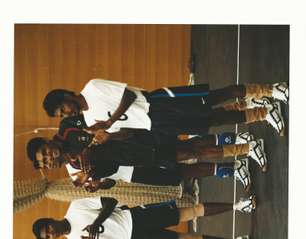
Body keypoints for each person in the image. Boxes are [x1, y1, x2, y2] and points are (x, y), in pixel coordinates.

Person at [27, 128, 265, 191]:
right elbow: (111, 170)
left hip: (135, 143)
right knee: (184, 163)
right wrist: (95, 180)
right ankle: (237, 157)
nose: (49, 160)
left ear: (47, 143)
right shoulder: (74, 171)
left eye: (45, 154)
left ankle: (243, 144)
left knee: (189, 149)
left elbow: (102, 135)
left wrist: (91, 151)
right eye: (45, 163)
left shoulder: (69, 133)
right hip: (135, 166)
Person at [42, 79, 288, 136]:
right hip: (155, 124)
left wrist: (110, 121)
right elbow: (126, 131)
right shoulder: (88, 121)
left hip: (158, 103)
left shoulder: (92, 87)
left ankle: (271, 89)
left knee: (215, 98)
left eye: (63, 108)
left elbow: (127, 95)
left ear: (66, 95)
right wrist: (106, 135)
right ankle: (263, 112)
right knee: (211, 122)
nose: (67, 113)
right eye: (62, 115)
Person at [32, 197, 255, 239]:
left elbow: (109, 202)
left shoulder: (75, 207)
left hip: (136, 218)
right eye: (48, 237)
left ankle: (238, 205)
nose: (52, 234)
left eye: (48, 229)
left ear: (50, 220)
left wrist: (98, 222)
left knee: (190, 212)